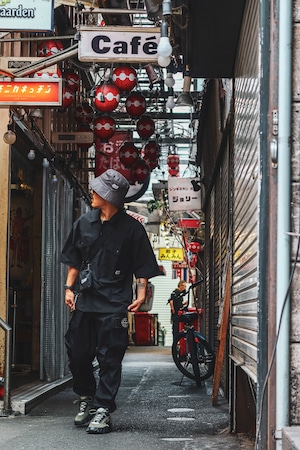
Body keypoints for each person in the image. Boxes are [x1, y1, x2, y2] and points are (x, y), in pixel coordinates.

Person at [61, 169, 161, 435]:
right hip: (86, 299)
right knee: (77, 352)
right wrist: (69, 288)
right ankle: (87, 396)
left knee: (110, 357)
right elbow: (74, 259)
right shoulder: (84, 223)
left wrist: (141, 293)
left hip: (115, 302)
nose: (92, 193)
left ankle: (104, 408)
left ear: (110, 197)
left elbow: (142, 266)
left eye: (97, 191)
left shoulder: (133, 229)